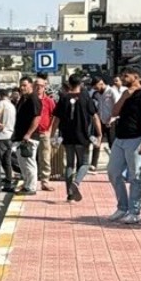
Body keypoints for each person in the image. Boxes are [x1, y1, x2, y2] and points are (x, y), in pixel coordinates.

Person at [107, 66, 141, 225]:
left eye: (126, 75)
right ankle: (122, 207)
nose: (123, 78)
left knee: (136, 176)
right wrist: (124, 97)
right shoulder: (125, 94)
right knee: (113, 172)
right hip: (120, 139)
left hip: (137, 139)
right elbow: (114, 113)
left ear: (136, 77)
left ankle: (134, 211)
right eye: (122, 75)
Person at [53, 73, 102, 202]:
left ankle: (69, 195)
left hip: (67, 137)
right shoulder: (86, 97)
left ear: (69, 84)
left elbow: (56, 119)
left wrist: (53, 134)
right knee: (85, 163)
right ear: (81, 84)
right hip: (83, 136)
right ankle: (76, 183)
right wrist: (99, 134)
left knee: (69, 164)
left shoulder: (63, 98)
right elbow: (95, 116)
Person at [12, 77, 42, 195]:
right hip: (20, 137)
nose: (22, 87)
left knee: (29, 162)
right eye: (21, 85)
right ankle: (27, 184)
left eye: (25, 85)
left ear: (31, 85)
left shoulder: (33, 99)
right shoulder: (23, 99)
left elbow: (37, 117)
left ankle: (31, 187)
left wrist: (28, 134)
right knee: (22, 162)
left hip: (30, 137)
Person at [0, 87, 17, 191]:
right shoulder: (11, 105)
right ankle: (8, 182)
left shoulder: (2, 103)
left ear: (0, 96)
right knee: (7, 160)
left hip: (1, 135)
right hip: (10, 135)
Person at [34, 75, 56, 191]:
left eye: (41, 86)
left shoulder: (49, 101)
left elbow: (54, 115)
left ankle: (45, 181)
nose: (38, 88)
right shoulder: (30, 99)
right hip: (32, 133)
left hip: (44, 132)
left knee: (45, 158)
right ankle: (30, 180)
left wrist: (50, 129)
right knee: (29, 158)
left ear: (45, 87)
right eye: (36, 85)